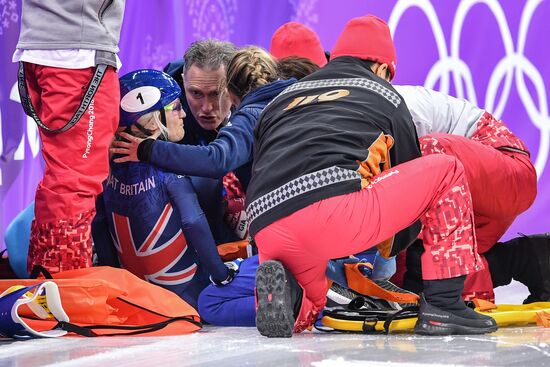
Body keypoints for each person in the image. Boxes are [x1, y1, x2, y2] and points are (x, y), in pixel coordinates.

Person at [246, 15, 497, 337]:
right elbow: (405, 172)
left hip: (266, 222)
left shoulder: (282, 99)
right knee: (446, 169)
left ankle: (295, 300)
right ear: (381, 68)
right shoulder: (385, 94)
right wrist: (391, 248)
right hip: (331, 211)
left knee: (315, 301)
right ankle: (445, 305)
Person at [95, 69, 236, 308]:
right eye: (176, 107)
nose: (183, 114)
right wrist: (222, 276)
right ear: (152, 119)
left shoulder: (106, 172)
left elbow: (99, 227)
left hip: (138, 297)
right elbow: (192, 221)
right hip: (188, 297)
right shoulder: (169, 169)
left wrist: (117, 286)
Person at [392, 85, 544, 302]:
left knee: (423, 158)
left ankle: (456, 304)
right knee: (411, 272)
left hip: (508, 171)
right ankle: (533, 260)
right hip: (476, 189)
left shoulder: (382, 103)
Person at [13, 0, 125, 273]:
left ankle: (45, 285)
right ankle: (65, 288)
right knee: (74, 183)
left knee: (62, 178)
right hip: (77, 52)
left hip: (44, 46)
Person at [110, 46, 295, 192]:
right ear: (183, 81)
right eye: (195, 93)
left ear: (231, 89)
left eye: (216, 94)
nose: (206, 107)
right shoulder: (162, 113)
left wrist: (148, 149)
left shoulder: (252, 114)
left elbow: (216, 160)